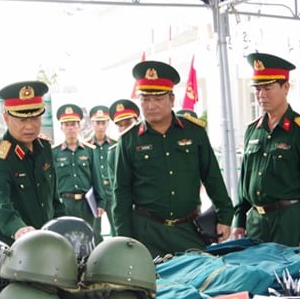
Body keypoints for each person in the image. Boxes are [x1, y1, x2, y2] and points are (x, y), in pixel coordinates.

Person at [113, 60, 233, 258]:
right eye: (145, 99)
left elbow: (211, 176)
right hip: (146, 233)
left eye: (158, 99)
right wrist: (124, 238)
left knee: (199, 282)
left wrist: (225, 215)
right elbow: (121, 193)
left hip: (189, 230)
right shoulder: (129, 140)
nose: (150, 105)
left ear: (172, 99)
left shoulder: (194, 132)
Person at [232, 53, 300, 249]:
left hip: (288, 221)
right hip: (256, 222)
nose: (261, 95)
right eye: (258, 88)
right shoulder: (253, 130)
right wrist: (239, 220)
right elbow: (244, 183)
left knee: (285, 278)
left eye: (268, 88)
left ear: (285, 87)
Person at [0, 81, 65, 245]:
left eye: (35, 117)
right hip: (12, 245)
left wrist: (64, 225)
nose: (30, 126)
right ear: (6, 118)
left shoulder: (45, 148)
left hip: (45, 240)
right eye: (22, 119)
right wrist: (18, 229)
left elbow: (54, 199)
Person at [52, 104, 105, 243]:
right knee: (65, 239)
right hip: (65, 204)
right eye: (66, 124)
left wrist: (101, 202)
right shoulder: (54, 152)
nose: (70, 128)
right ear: (61, 127)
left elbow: (96, 178)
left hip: (86, 204)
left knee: (90, 238)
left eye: (73, 124)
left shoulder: (89, 150)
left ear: (79, 126)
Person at [85, 105, 116, 236]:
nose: (101, 126)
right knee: (94, 229)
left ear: (108, 123)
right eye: (97, 122)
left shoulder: (115, 144)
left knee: (116, 225)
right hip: (95, 193)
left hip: (112, 191)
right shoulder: (86, 146)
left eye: (103, 122)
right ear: (92, 123)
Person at [107, 99, 140, 193]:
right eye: (120, 125)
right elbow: (117, 188)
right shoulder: (114, 152)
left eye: (128, 123)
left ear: (137, 121)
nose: (125, 128)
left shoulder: (149, 144)